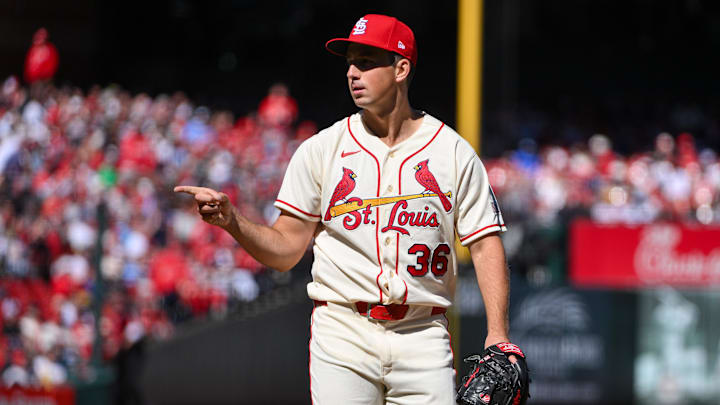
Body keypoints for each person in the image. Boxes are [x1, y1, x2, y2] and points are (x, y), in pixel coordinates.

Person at [175, 14, 513, 404]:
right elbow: (286, 249)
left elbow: (486, 245)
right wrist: (233, 222)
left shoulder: (452, 153)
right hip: (343, 330)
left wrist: (497, 333)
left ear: (401, 68)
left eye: (367, 62)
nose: (353, 72)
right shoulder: (322, 150)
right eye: (350, 62)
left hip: (422, 332)